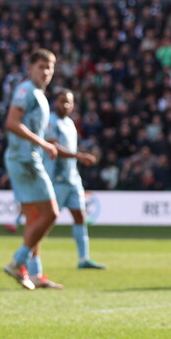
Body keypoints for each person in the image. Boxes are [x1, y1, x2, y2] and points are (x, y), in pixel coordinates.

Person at [3, 48, 61, 291]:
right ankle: (18, 261)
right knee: (51, 214)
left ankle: (35, 274)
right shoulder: (26, 91)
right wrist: (42, 143)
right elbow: (11, 123)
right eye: (41, 67)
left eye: (49, 68)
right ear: (30, 68)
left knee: (34, 220)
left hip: (21, 158)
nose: (46, 72)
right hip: (26, 159)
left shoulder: (38, 94)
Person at [45, 88, 106, 269]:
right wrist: (80, 156)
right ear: (54, 102)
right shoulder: (50, 121)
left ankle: (83, 259)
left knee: (80, 216)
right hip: (56, 178)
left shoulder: (70, 123)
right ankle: (28, 256)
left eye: (69, 102)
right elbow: (54, 147)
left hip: (72, 178)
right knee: (46, 220)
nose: (66, 105)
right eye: (62, 101)